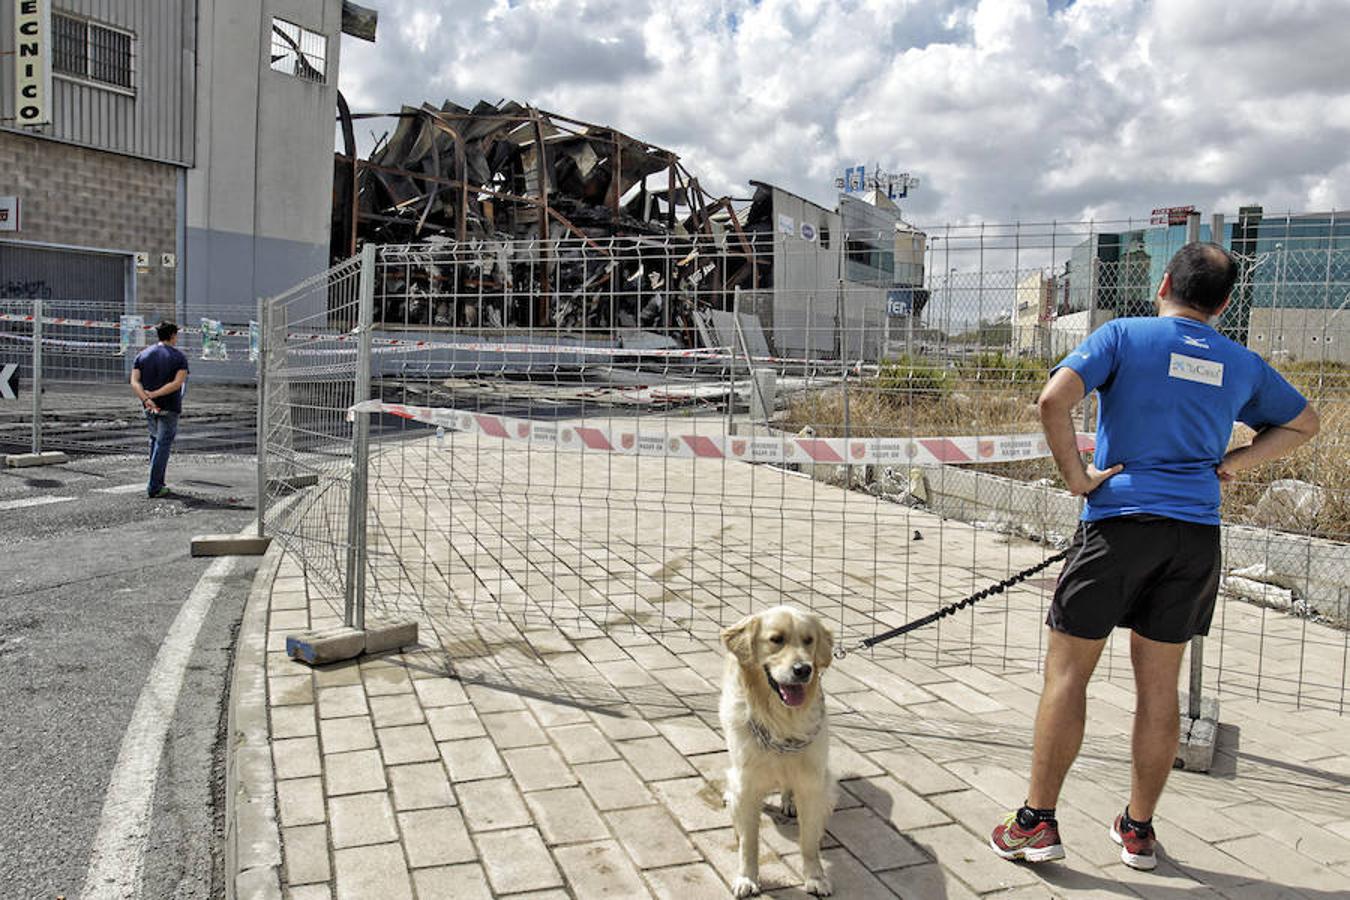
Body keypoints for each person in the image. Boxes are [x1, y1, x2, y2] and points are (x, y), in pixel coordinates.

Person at [989, 243, 1319, 871]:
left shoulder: (1123, 335)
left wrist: (1077, 477)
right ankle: (1138, 830)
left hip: (1118, 526)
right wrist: (1235, 463)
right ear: (1224, 303)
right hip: (1194, 537)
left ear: (1164, 282)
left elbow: (1052, 400)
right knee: (1159, 688)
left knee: (1067, 677)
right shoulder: (1240, 361)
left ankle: (1037, 824)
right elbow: (1305, 423)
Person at [130, 320, 190, 498]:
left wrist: (147, 398)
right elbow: (178, 383)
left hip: (148, 406)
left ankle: (156, 481)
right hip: (170, 406)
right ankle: (155, 486)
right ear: (172, 335)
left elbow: (134, 381)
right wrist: (155, 395)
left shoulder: (142, 355)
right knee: (163, 445)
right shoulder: (179, 357)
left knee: (154, 441)